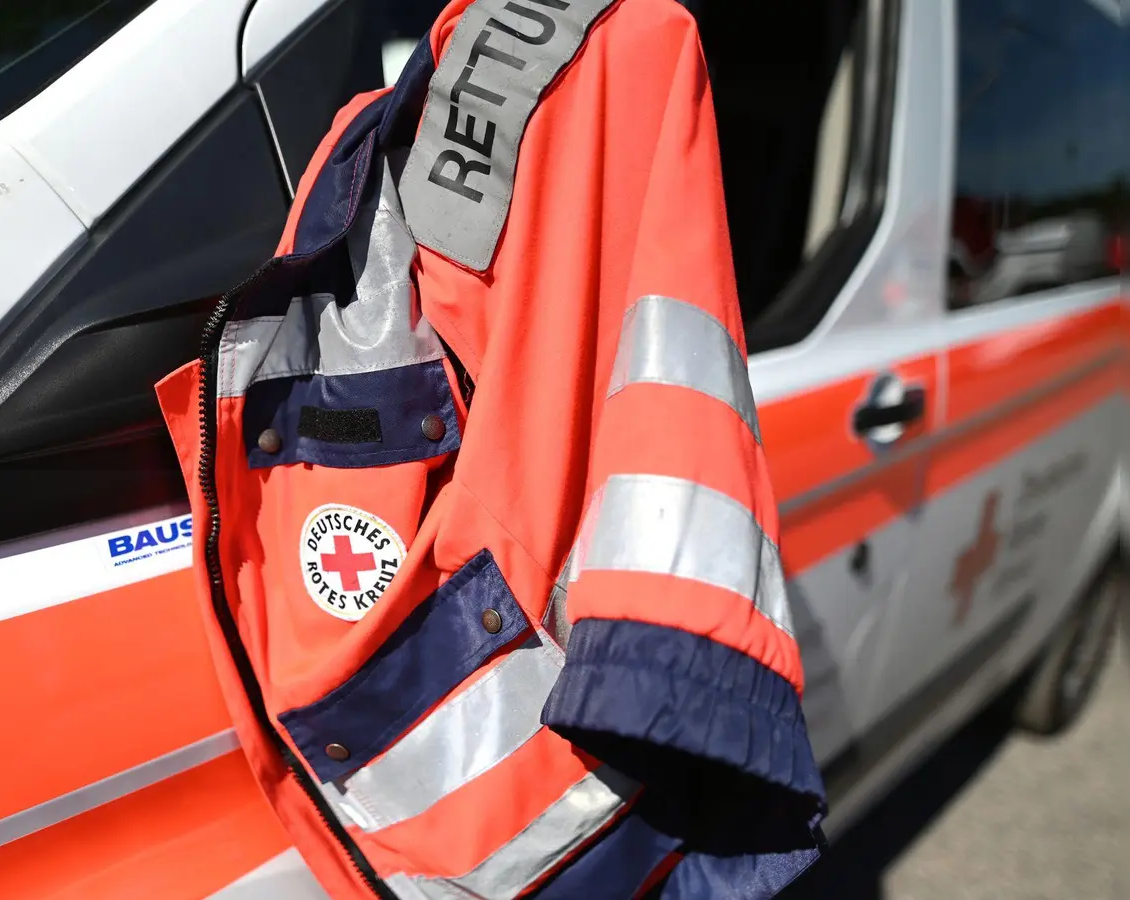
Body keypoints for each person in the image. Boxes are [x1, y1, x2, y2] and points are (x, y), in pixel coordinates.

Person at [155, 0, 826, 896]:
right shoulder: (403, 115)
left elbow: (647, 374)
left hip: (528, 772)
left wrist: (668, 680)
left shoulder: (607, 49)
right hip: (507, 767)